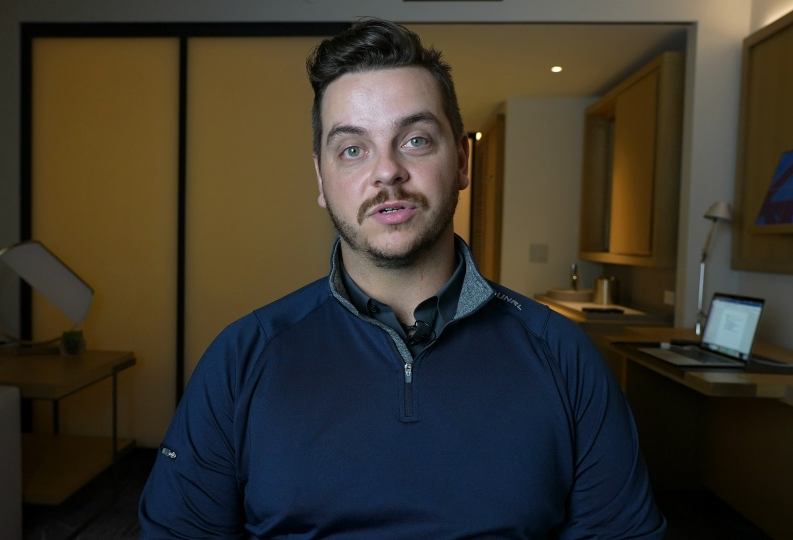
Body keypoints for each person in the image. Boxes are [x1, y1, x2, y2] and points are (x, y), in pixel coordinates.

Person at [139, 18, 666, 539]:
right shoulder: (241, 359)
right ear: (322, 179)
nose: (386, 170)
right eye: (353, 149)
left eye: (415, 140)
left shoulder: (564, 358)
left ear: (461, 160)